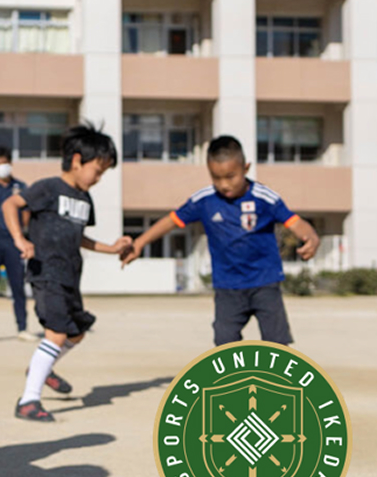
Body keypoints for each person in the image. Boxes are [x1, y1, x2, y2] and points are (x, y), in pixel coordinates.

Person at [121, 135, 319, 346]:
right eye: (216, 177)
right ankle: (235, 369)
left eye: (231, 177)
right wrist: (139, 243)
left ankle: (276, 367)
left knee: (276, 344)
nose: (224, 184)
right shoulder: (204, 200)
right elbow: (172, 221)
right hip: (227, 286)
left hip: (264, 282)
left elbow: (295, 222)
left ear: (246, 168)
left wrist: (312, 237)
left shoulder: (264, 197)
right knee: (225, 341)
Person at [3, 124, 132, 422]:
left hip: (70, 276)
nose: (98, 179)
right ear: (77, 161)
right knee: (57, 333)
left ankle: (42, 366)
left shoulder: (85, 199)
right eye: (97, 171)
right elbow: (11, 204)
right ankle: (28, 401)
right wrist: (20, 239)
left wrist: (112, 248)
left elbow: (79, 237)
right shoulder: (48, 188)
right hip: (46, 272)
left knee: (76, 333)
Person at [0, 146, 37, 343]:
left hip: (14, 242)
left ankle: (22, 328)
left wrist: (19, 232)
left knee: (18, 286)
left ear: (10, 163)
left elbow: (26, 213)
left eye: (5, 162)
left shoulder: (21, 187)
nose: (2, 166)